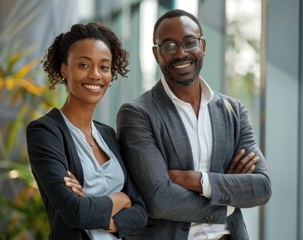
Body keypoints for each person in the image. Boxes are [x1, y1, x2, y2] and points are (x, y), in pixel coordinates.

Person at [116, 9, 272, 240]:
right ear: (156, 54)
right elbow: (160, 200)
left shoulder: (233, 111)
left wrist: (199, 180)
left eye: (190, 42)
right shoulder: (138, 114)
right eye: (168, 46)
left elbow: (261, 187)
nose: (181, 53)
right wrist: (228, 197)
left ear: (203, 46)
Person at [26, 22, 147, 240]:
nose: (95, 75)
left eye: (104, 67)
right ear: (65, 69)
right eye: (83, 65)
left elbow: (140, 211)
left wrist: (108, 219)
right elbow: (75, 212)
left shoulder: (108, 135)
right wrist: (121, 199)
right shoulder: (44, 132)